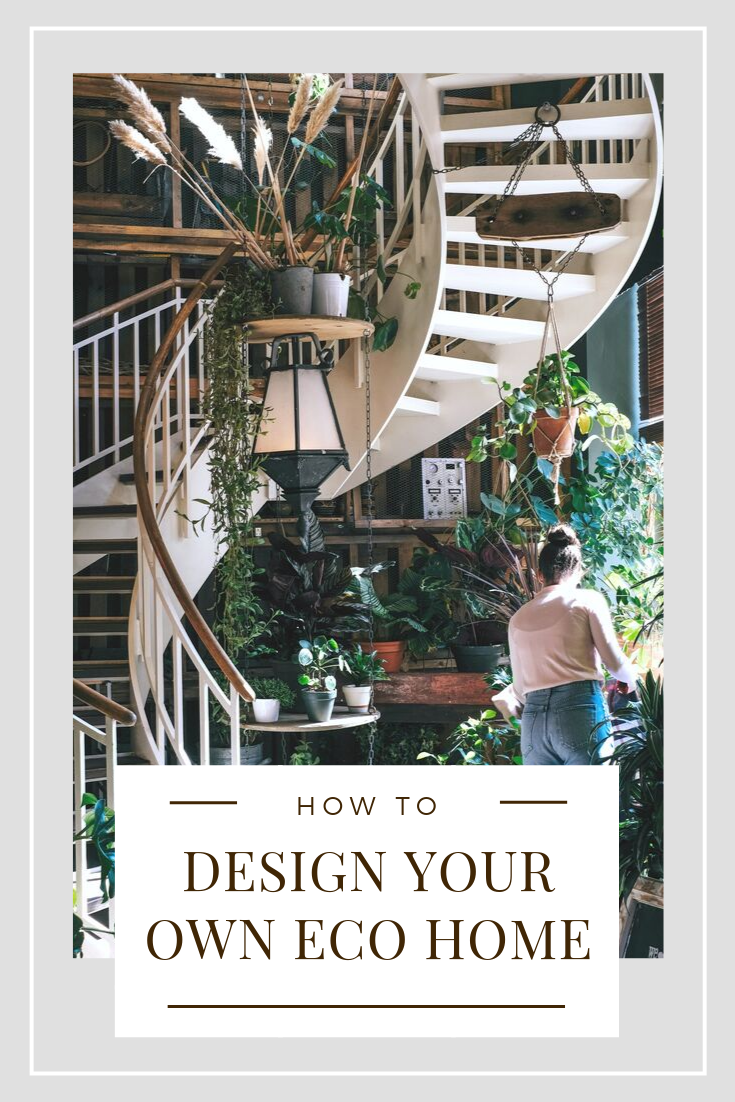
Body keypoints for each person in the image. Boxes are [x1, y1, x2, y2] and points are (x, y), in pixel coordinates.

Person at [494, 524, 637, 765]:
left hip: (534, 725)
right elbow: (615, 664)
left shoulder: (518, 618)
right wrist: (631, 681)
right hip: (579, 713)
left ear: (539, 575)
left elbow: (519, 689)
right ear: (579, 571)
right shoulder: (586, 601)